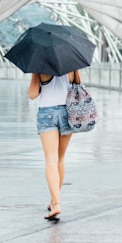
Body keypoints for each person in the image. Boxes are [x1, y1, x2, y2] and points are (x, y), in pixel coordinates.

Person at [28, 69, 82, 221]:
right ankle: (54, 200)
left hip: (47, 113)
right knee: (60, 159)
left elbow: (32, 95)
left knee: (51, 160)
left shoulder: (40, 67)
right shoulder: (71, 66)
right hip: (67, 112)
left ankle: (56, 203)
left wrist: (35, 76)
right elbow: (79, 86)